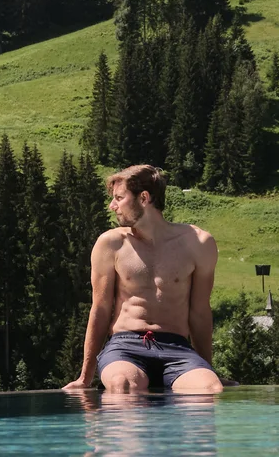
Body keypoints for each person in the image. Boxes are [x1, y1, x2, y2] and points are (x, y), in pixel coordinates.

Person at [62, 165, 224, 394]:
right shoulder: (111, 244)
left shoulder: (198, 243)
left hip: (177, 348)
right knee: (122, 384)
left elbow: (200, 311)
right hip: (125, 347)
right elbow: (100, 309)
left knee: (210, 388)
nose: (112, 205)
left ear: (144, 198)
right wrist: (85, 377)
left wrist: (208, 368)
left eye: (119, 198)